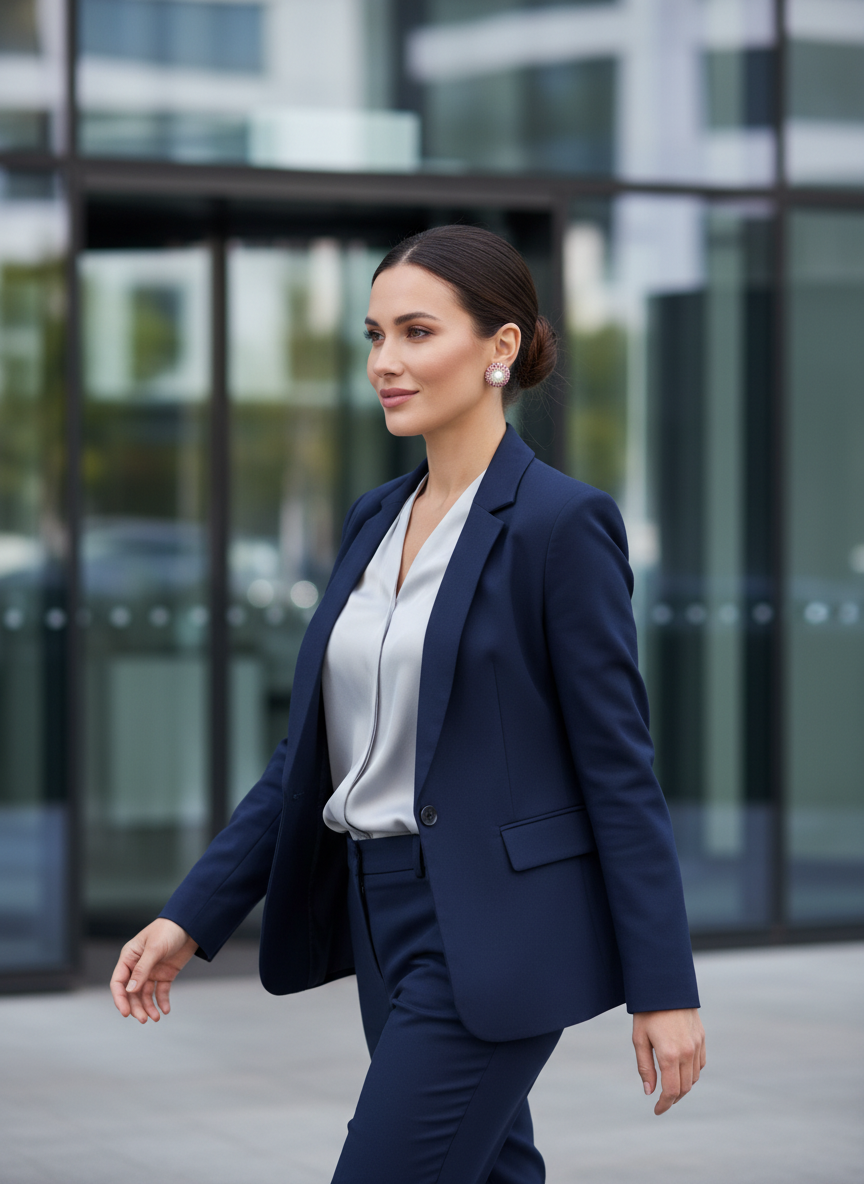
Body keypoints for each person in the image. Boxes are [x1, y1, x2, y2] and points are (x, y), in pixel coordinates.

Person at [110, 224, 705, 1183]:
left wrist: (664, 987)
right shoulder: (373, 518)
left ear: (501, 348)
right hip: (381, 919)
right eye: (374, 335)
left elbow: (619, 771)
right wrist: (194, 913)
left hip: (498, 925)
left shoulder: (562, 526)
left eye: (417, 332)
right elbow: (310, 757)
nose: (386, 362)